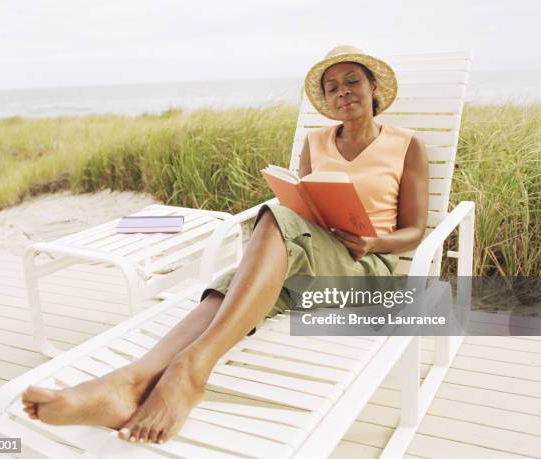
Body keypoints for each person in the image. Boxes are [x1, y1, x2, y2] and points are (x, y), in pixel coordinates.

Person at [21, 45, 429, 445]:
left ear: (373, 86)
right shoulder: (315, 142)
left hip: (366, 271)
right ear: (325, 99)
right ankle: (126, 382)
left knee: (272, 223)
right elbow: (304, 205)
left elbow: (414, 229)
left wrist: (374, 241)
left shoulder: (407, 144)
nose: (343, 91)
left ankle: (191, 370)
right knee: (243, 266)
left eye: (352, 81)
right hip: (310, 257)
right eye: (332, 86)